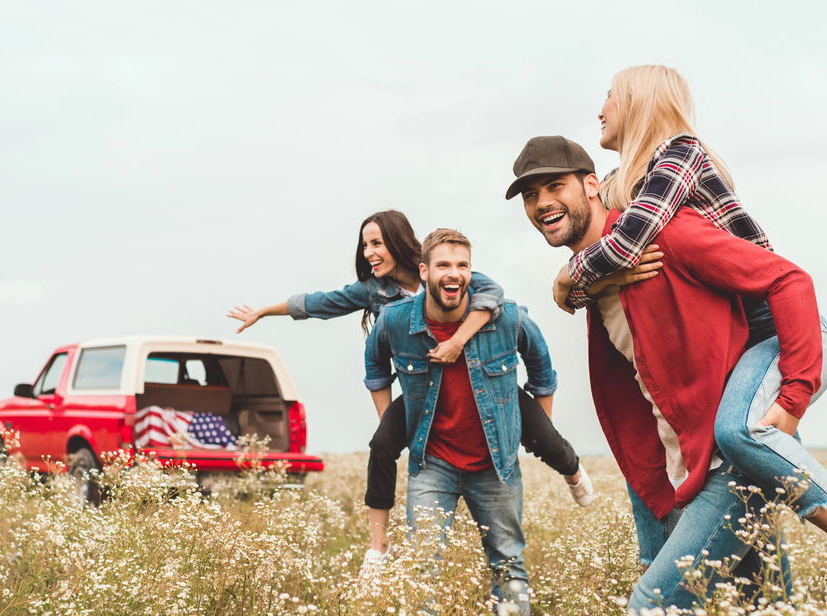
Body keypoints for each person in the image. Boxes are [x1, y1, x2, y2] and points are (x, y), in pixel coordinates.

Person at [510, 134, 827, 615]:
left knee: (652, 606)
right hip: (674, 467)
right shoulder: (591, 276)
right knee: (760, 601)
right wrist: (571, 282)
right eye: (530, 196)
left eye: (554, 186)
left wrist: (792, 399)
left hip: (724, 459)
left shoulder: (663, 236)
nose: (542, 203)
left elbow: (787, 280)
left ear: (592, 185)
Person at [227, 210, 625, 571]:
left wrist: (456, 342)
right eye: (364, 245)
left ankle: (572, 472)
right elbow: (320, 303)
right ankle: (376, 550)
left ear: (401, 245)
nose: (368, 252)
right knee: (383, 444)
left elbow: (494, 296)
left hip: (481, 379)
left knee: (542, 433)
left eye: (376, 243)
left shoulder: (448, 268)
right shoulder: (374, 292)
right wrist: (264, 310)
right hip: (422, 392)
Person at [364, 228, 555, 616]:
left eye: (462, 265)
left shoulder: (507, 318)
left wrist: (528, 432)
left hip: (494, 466)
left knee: (509, 567)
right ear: (423, 272)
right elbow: (375, 367)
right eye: (444, 265)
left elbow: (543, 373)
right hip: (432, 464)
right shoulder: (395, 321)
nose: (454, 274)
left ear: (472, 271)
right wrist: (392, 423)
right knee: (422, 571)